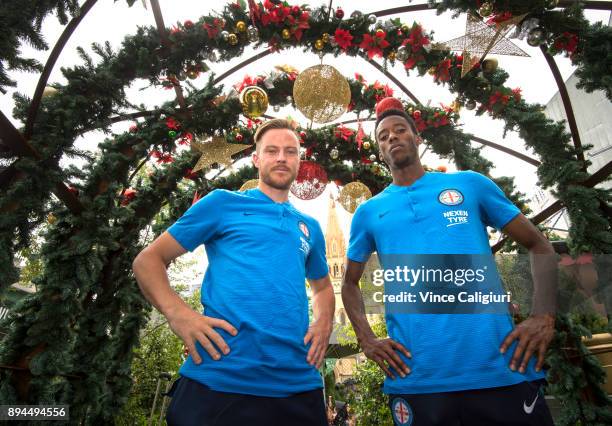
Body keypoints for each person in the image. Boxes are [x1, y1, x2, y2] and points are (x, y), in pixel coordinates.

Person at [341, 97, 557, 426]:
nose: (392, 138)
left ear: (418, 139)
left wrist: (543, 314)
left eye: (400, 130)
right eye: (383, 137)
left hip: (500, 371)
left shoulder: (469, 185)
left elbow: (539, 245)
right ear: (380, 152)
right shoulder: (368, 213)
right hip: (417, 381)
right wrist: (367, 339)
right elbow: (349, 283)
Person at [133, 118, 334, 426]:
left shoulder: (311, 228)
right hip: (219, 377)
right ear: (257, 159)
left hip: (298, 384)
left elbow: (322, 288)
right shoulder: (222, 204)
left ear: (299, 160)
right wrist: (179, 314)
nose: (281, 157)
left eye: (290, 151)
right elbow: (149, 260)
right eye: (272, 150)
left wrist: (323, 323)